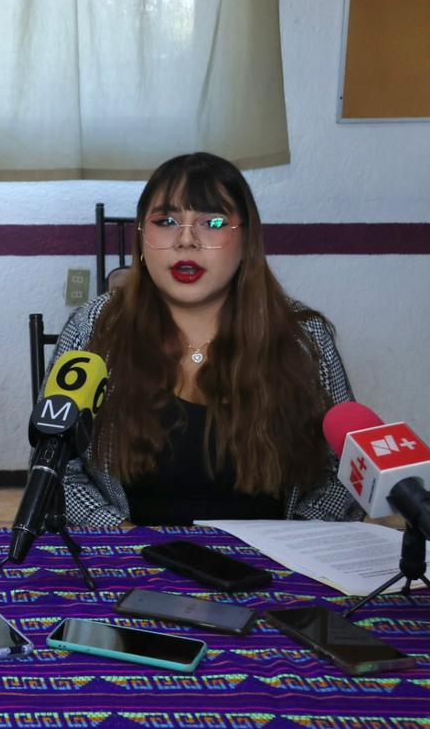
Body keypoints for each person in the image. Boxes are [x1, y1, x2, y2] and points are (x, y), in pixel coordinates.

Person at [56, 152, 362, 526]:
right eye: (165, 221)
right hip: (134, 552)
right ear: (141, 236)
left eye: (212, 222)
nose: (186, 240)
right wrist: (122, 535)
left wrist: (300, 537)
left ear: (247, 239)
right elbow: (57, 469)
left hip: (275, 556)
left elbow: (345, 471)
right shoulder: (96, 326)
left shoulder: (302, 336)